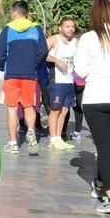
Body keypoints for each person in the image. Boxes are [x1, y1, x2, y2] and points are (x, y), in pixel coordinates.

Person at [0, 0, 48, 156]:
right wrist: (34, 65)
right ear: (26, 13)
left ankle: (13, 143)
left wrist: (2, 66)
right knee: (28, 106)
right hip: (30, 75)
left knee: (12, 108)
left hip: (12, 75)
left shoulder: (7, 29)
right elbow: (43, 51)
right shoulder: (36, 29)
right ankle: (31, 130)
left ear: (14, 13)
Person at [74, 0, 110, 213]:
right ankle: (99, 184)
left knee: (104, 149)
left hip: (96, 98)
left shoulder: (88, 38)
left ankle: (108, 196)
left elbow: (80, 72)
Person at [46, 17, 78, 151]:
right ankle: (53, 139)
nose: (71, 29)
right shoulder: (54, 39)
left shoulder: (76, 41)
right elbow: (42, 54)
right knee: (55, 110)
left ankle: (59, 138)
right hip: (57, 81)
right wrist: (57, 61)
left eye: (72, 26)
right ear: (61, 28)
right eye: (67, 26)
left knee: (64, 110)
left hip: (69, 81)